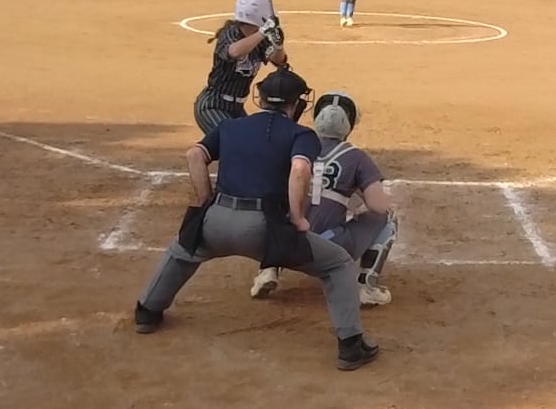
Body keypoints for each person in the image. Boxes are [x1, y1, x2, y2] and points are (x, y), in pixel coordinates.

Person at [134, 69, 381, 372]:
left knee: (182, 251)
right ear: (297, 103)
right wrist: (298, 217)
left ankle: (146, 312)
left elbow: (195, 155)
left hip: (217, 221)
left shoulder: (230, 125)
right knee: (338, 263)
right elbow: (300, 169)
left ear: (260, 98)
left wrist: (205, 201)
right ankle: (351, 346)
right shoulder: (300, 134)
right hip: (265, 231)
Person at [249, 90, 397, 308]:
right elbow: (378, 205)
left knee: (274, 204)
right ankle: (367, 286)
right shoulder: (355, 157)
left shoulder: (294, 146)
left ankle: (268, 269)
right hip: (327, 250)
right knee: (388, 217)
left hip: (285, 246)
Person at [196, 0, 288, 132]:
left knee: (250, 140)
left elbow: (279, 61)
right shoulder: (231, 32)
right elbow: (234, 52)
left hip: (237, 108)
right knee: (232, 139)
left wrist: (278, 45)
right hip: (213, 105)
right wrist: (262, 32)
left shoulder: (261, 38)